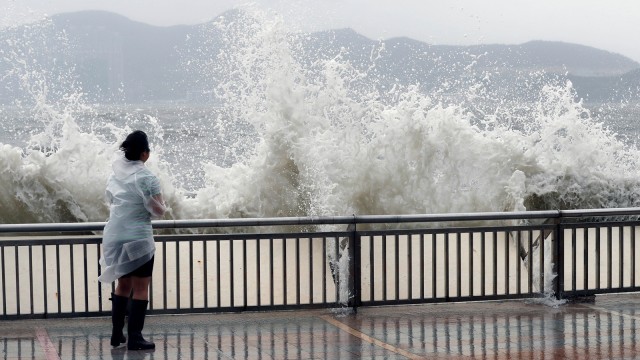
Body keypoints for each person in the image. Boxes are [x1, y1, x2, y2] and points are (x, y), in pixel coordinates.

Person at [98, 130, 166, 350]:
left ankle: (117, 334)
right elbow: (157, 210)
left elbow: (110, 199)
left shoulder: (115, 175)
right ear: (144, 153)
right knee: (141, 287)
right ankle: (135, 337)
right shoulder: (147, 177)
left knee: (122, 284)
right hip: (138, 238)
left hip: (115, 235)